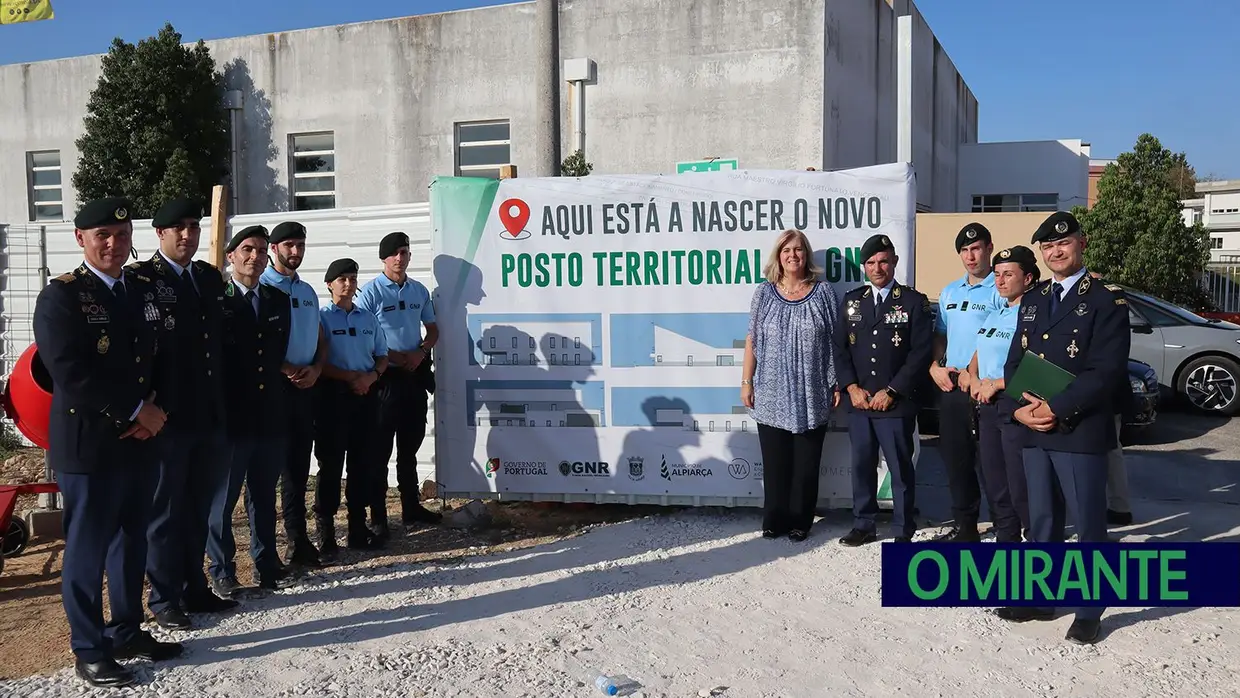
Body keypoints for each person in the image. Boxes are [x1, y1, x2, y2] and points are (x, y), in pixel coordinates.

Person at [33, 197, 183, 688]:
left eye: (122, 235)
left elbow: (160, 354)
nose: (114, 244)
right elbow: (70, 373)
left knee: (131, 539)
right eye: (103, 235)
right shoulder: (62, 297)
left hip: (138, 440)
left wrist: (155, 411)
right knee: (87, 548)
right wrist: (138, 410)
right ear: (81, 239)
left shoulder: (140, 289)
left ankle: (126, 630)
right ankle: (89, 648)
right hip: (89, 445)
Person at [995, 211, 1130, 645]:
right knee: (1044, 520)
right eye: (1048, 247)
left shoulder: (1107, 301)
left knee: (1089, 526)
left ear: (1081, 243)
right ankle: (1041, 596)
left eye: (1063, 243)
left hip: (1078, 430)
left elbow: (1105, 371)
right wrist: (1017, 408)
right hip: (1034, 429)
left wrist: (1056, 407)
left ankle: (1091, 609)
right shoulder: (1033, 300)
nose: (1055, 251)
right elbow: (1015, 360)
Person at [126, 198, 235, 630]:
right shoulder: (141, 281)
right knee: (164, 511)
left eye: (193, 226)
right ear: (160, 234)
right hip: (167, 417)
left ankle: (195, 586)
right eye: (178, 228)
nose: (187, 235)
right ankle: (164, 597)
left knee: (197, 505)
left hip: (207, 413)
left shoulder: (208, 279)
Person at [206, 226, 297, 595]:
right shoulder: (218, 300)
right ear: (231, 256)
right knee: (223, 499)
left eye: (261, 250)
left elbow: (275, 355)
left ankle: (266, 562)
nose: (255, 257)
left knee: (263, 493)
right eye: (247, 249)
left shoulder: (277, 299)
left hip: (269, 413)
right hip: (232, 416)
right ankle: (222, 569)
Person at [833, 234, 933, 545]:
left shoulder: (913, 301)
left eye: (884, 261)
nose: (878, 267)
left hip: (895, 404)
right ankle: (863, 523)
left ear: (894, 263)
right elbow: (839, 348)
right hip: (860, 403)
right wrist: (851, 387)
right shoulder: (852, 302)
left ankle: (903, 528)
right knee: (862, 464)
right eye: (872, 263)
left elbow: (920, 353)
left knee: (900, 468)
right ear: (864, 267)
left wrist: (891, 391)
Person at [741, 229, 840, 541]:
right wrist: (747, 381)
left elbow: (837, 342)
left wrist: (836, 383)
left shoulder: (823, 293)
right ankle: (775, 519)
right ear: (778, 256)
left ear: (806, 254)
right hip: (770, 390)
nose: (793, 255)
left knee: (806, 464)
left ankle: (801, 521)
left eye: (798, 249)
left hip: (812, 390)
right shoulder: (763, 293)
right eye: (787, 250)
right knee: (775, 463)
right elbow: (752, 339)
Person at [355, 231, 443, 539]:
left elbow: (433, 329)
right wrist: (393, 356)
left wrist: (421, 352)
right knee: (380, 450)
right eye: (394, 253)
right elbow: (362, 334)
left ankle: (411, 507)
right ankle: (378, 515)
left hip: (413, 376)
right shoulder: (371, 292)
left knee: (411, 446)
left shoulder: (418, 290)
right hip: (385, 378)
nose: (399, 258)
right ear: (384, 258)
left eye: (404, 252)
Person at [928, 223, 1005, 542]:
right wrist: (935, 365)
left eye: (976, 249)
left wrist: (975, 376)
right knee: (957, 460)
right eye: (964, 250)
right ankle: (966, 526)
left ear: (989, 248)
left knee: (994, 464)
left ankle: (1006, 525)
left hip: (986, 389)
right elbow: (940, 336)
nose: (971, 256)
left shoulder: (1000, 287)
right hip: (952, 386)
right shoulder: (950, 292)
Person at [260, 221, 328, 567]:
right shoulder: (262, 287)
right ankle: (265, 550)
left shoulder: (307, 291)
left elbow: (320, 337)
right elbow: (257, 344)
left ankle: (298, 540)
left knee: (299, 469)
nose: (296, 252)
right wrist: (285, 368)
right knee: (267, 472)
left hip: (306, 389)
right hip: (274, 388)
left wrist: (316, 368)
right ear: (274, 248)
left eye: (300, 245)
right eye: (289, 245)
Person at [315, 258, 390, 556]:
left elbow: (382, 355)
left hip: (366, 394)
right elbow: (318, 362)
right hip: (333, 396)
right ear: (330, 284)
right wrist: (350, 377)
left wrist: (371, 376)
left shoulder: (367, 318)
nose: (348, 284)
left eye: (352, 278)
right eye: (341, 279)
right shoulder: (321, 318)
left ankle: (357, 528)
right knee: (331, 465)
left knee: (362, 464)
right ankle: (326, 532)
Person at [966, 245, 1039, 542]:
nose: (1000, 281)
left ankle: (1037, 537)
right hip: (986, 406)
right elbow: (979, 350)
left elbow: (1036, 364)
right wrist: (972, 377)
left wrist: (996, 383)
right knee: (995, 480)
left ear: (1029, 278)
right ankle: (1007, 537)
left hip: (1015, 405)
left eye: (1009, 274)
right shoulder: (998, 312)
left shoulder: (1035, 315)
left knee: (1020, 482)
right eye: (997, 274)